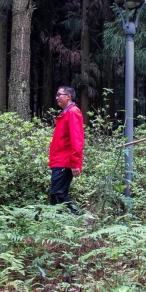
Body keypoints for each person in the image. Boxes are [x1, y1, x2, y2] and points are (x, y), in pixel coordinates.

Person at [48, 86, 84, 214]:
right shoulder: (65, 113)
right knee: (55, 195)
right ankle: (57, 224)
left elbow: (77, 139)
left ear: (68, 96)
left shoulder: (73, 112)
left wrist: (75, 163)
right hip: (59, 160)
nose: (57, 97)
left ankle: (81, 217)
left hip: (65, 161)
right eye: (56, 95)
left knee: (57, 193)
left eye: (59, 95)